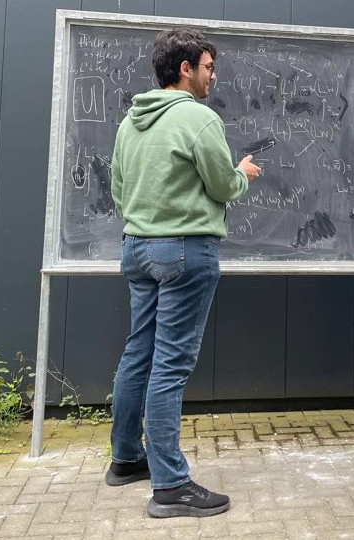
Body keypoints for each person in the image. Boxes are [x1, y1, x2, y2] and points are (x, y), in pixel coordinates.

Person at [106, 28, 261, 519]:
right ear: (185, 69)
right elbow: (221, 185)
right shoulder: (198, 118)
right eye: (209, 67)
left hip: (136, 247)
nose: (214, 75)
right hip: (184, 251)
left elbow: (117, 188)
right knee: (170, 364)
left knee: (140, 351)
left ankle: (127, 459)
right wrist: (243, 174)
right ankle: (170, 485)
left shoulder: (130, 123)